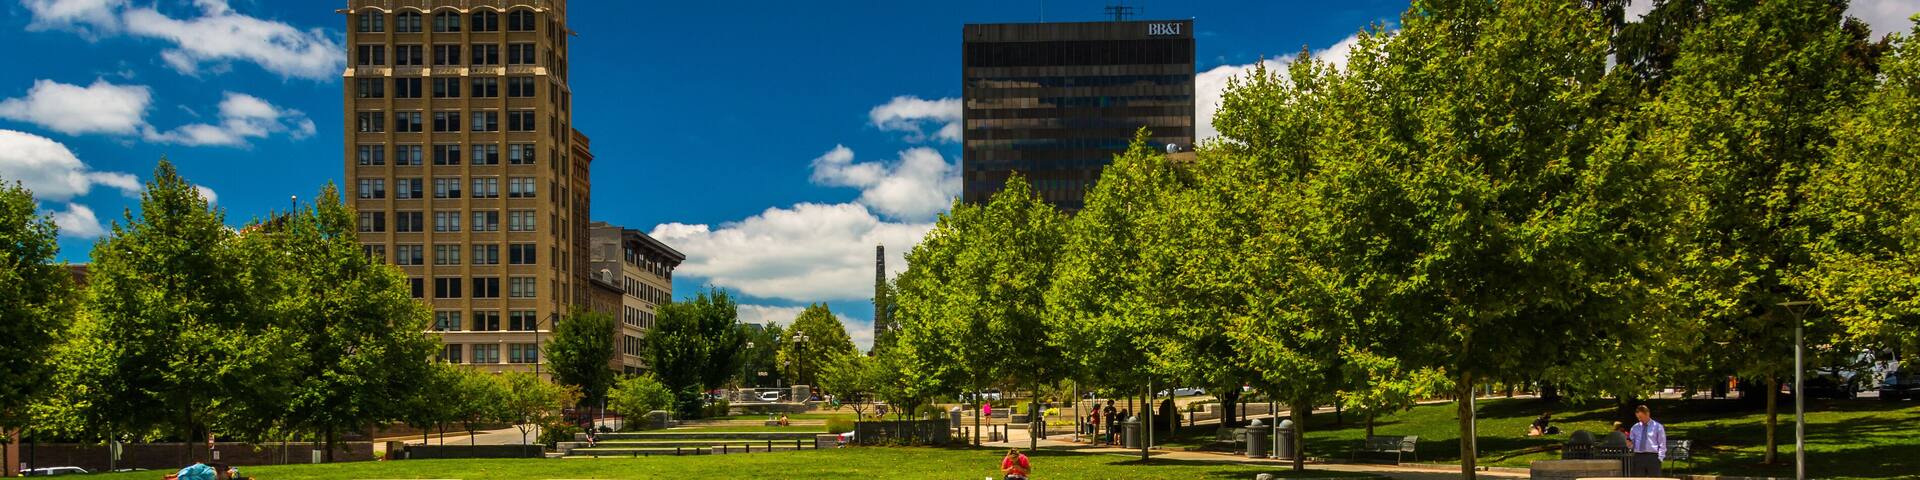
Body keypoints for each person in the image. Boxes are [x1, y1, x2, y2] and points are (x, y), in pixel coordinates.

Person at [1627, 405, 1667, 477]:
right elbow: (1632, 444)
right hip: (1638, 457)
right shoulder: (1635, 427)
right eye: (1638, 417)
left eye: (1641, 417)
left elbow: (1662, 443)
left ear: (1647, 414)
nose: (1639, 419)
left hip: (1653, 457)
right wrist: (1629, 444)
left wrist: (1660, 458)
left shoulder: (1658, 427)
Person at [170, 462, 236, 480]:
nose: (231, 473)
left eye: (232, 474)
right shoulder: (224, 466)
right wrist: (202, 464)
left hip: (210, 477)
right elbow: (212, 463)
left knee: (192, 478)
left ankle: (176, 478)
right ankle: (176, 475)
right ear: (231, 468)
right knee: (191, 469)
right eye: (232, 471)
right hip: (207, 470)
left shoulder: (227, 478)